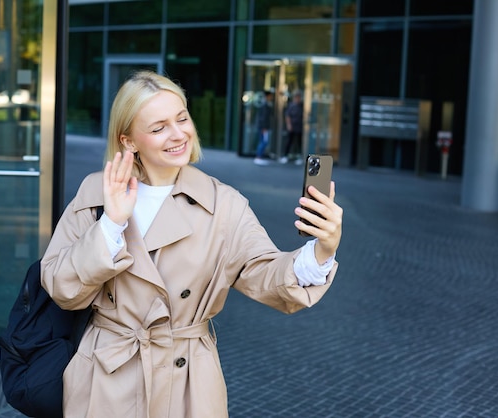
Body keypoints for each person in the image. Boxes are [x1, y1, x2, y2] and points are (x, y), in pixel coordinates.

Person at [40, 71, 342, 418]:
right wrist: (111, 224)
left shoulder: (222, 203)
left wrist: (323, 249)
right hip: (105, 378)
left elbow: (267, 273)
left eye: (182, 118)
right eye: (158, 128)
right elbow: (62, 287)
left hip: (187, 383)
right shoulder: (96, 193)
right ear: (129, 141)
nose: (178, 133)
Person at [280, 90, 304, 165]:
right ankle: (285, 156)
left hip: (300, 126)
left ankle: (299, 157)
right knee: (289, 141)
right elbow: (287, 116)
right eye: (297, 97)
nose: (298, 99)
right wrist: (289, 125)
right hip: (293, 126)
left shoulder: (302, 105)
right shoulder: (291, 105)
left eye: (299, 97)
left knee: (300, 142)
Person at [253, 90, 274, 165]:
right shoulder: (264, 105)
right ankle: (258, 157)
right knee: (264, 142)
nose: (271, 97)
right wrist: (264, 127)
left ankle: (259, 157)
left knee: (263, 141)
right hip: (263, 127)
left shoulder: (264, 104)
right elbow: (263, 117)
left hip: (262, 126)